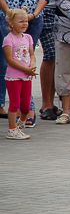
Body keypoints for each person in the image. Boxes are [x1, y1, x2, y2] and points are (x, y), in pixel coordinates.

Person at [0, 0, 50, 126]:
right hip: (8, 15)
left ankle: (27, 109)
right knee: (7, 60)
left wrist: (33, 15)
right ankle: (9, 105)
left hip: (32, 18)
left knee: (27, 59)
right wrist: (10, 13)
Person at [3, 8, 37, 139]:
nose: (24, 24)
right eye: (21, 21)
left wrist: (32, 65)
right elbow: (10, 60)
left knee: (26, 106)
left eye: (26, 21)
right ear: (11, 23)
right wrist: (26, 70)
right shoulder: (8, 39)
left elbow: (32, 54)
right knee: (14, 103)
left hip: (26, 77)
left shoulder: (28, 38)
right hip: (14, 77)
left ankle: (20, 125)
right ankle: (12, 130)